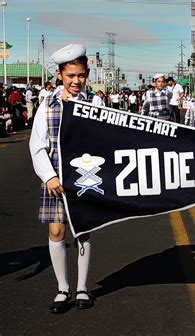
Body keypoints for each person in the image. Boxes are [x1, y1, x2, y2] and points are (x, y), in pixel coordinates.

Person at [29, 44, 94, 314]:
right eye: (71, 76)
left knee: (83, 230)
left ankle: (82, 288)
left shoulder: (96, 103)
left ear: (86, 74)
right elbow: (37, 145)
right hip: (55, 178)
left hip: (86, 176)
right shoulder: (47, 105)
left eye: (81, 75)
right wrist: (49, 176)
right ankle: (62, 288)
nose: (76, 81)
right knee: (57, 231)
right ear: (60, 75)